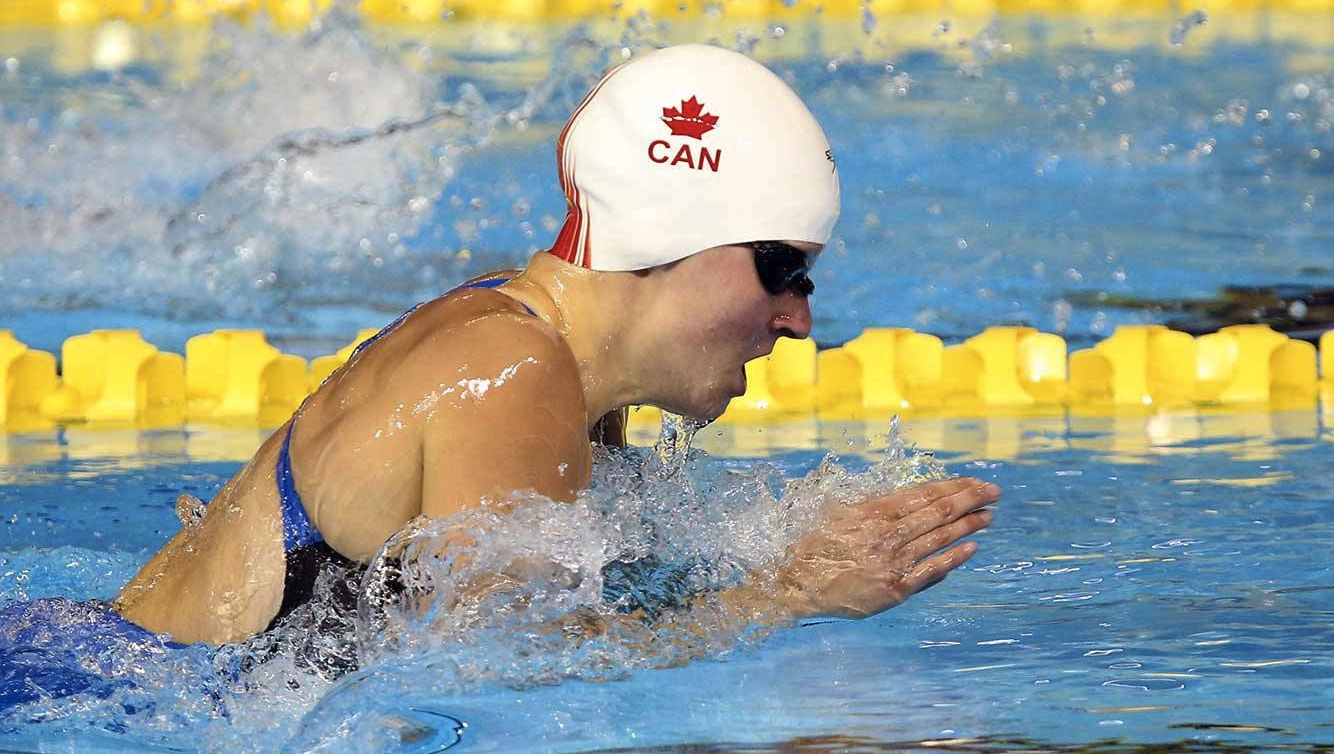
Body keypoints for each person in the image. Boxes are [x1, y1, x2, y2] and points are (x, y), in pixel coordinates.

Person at [109, 43, 999, 647]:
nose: (798, 318)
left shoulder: (554, 365)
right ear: (673, 231)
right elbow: (510, 669)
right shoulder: (512, 368)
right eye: (778, 267)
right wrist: (792, 592)